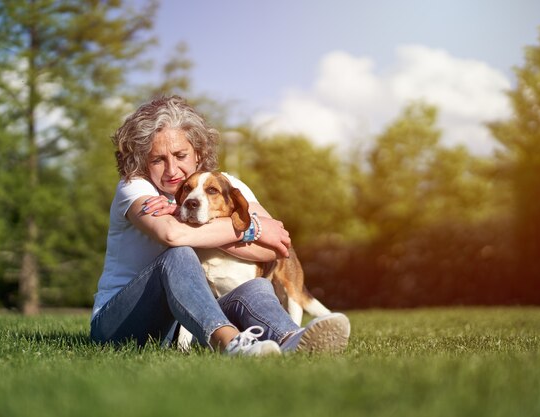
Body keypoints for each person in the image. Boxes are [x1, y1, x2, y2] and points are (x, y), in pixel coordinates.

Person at [90, 95, 350, 356]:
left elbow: (276, 246)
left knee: (257, 286)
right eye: (157, 160)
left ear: (199, 153)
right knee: (180, 253)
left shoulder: (223, 182)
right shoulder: (134, 186)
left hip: (186, 321)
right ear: (142, 160)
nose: (171, 170)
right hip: (120, 323)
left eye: (181, 155)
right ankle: (231, 344)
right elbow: (172, 234)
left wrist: (251, 228)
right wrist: (253, 228)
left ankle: (292, 338)